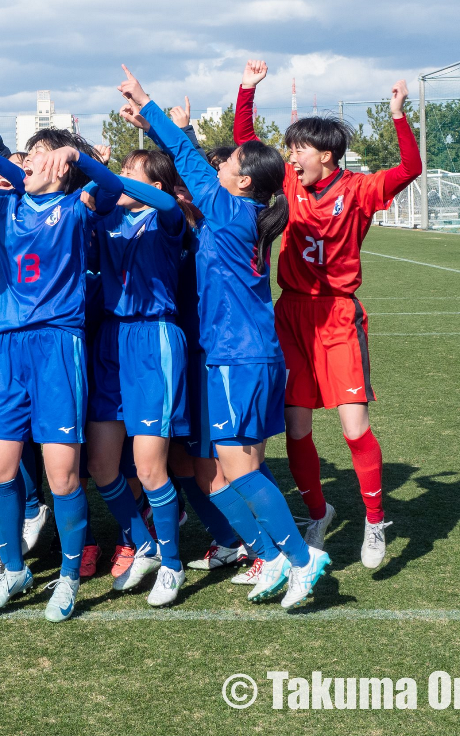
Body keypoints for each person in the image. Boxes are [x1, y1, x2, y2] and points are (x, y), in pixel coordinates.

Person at [118, 68, 330, 609]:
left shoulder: (233, 211)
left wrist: (149, 104)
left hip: (240, 356)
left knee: (238, 467)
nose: (221, 165)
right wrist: (150, 119)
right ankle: (274, 556)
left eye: (230, 163)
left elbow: (187, 163)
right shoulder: (242, 211)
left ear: (241, 181)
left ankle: (303, 560)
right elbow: (191, 174)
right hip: (237, 355)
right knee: (230, 469)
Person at [0, 125, 125, 622]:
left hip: (58, 348)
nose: (34, 161)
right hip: (5, 348)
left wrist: (78, 158)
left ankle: (66, 579)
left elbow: (112, 188)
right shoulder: (4, 207)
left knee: (62, 477)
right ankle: (13, 568)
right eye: (32, 155)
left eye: (43, 155)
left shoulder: (77, 205)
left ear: (60, 166)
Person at [235, 61, 419, 568]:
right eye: (290, 148)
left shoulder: (358, 190)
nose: (290, 156)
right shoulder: (290, 185)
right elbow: (246, 145)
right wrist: (246, 90)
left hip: (337, 316)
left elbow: (408, 171)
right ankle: (319, 513)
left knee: (354, 428)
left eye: (298, 149)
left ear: (327, 155)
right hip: (291, 313)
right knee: (295, 427)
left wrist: (399, 116)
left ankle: (376, 520)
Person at [89, 148, 194, 606]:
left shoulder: (167, 220)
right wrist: (94, 174)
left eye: (131, 172)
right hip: (111, 340)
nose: (121, 178)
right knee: (102, 466)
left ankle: (172, 564)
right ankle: (145, 546)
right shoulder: (108, 218)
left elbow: (170, 204)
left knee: (151, 468)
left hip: (155, 338)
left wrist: (103, 172)